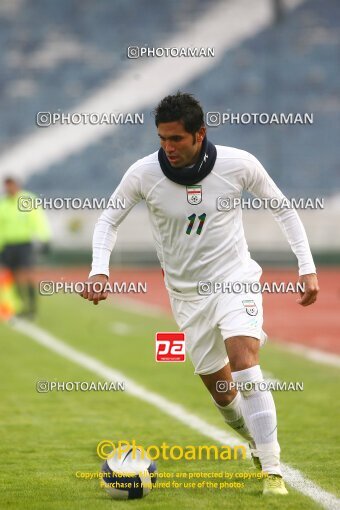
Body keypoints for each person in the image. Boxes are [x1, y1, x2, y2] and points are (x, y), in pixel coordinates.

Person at [80, 92, 319, 495]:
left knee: (244, 359)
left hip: (233, 277)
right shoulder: (143, 173)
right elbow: (108, 219)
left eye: (176, 139)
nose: (168, 148)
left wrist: (308, 267)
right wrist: (99, 270)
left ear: (199, 134)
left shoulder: (238, 164)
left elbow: (283, 208)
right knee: (224, 398)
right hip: (186, 296)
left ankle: (273, 471)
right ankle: (253, 442)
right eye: (162, 139)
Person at [0, 177, 51, 319]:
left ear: (17, 185)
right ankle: (20, 305)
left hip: (24, 243)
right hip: (7, 245)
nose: (8, 188)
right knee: (12, 277)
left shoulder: (28, 200)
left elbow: (38, 220)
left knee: (26, 275)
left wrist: (44, 238)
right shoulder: (3, 204)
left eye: (10, 185)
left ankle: (32, 306)